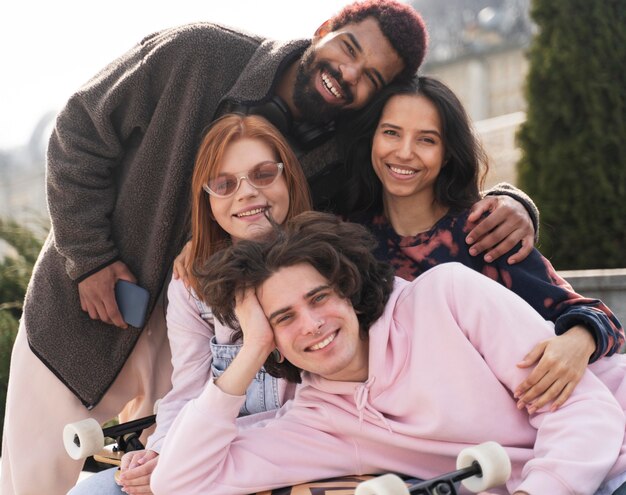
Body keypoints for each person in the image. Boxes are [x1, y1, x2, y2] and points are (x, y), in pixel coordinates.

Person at [1, 2, 537, 493]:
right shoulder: (198, 51)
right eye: (348, 49)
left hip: (203, 318)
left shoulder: (345, 150)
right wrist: (89, 256)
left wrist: (511, 203)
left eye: (370, 78)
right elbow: (79, 132)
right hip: (89, 308)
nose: (348, 75)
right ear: (325, 29)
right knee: (37, 478)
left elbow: (420, 179)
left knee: (167, 463)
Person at [150, 211, 626, 495]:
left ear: (348, 291)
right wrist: (251, 349)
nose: (312, 325)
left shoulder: (446, 296)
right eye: (283, 318)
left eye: (318, 298)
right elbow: (181, 482)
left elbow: (585, 412)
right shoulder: (317, 421)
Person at [336, 75, 624, 413]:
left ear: (446, 154)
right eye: (391, 132)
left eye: (426, 140)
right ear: (371, 138)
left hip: (513, 423)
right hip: (400, 428)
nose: (404, 152)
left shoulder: (483, 232)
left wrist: (579, 340)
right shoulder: (349, 242)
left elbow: (598, 317)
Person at [68, 113, 312, 495]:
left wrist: (189, 457)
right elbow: (186, 390)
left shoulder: (324, 267)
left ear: (289, 177)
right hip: (205, 450)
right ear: (207, 199)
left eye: (263, 174)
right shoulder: (192, 285)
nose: (246, 192)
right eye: (224, 184)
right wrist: (162, 452)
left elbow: (317, 411)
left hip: (283, 459)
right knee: (93, 492)